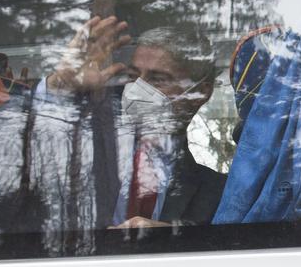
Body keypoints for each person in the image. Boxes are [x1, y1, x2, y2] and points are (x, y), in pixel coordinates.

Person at [34, 18, 226, 230]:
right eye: (133, 76)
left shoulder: (218, 193)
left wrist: (170, 239)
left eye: (158, 79)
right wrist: (59, 86)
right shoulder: (80, 149)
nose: (137, 89)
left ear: (201, 92)